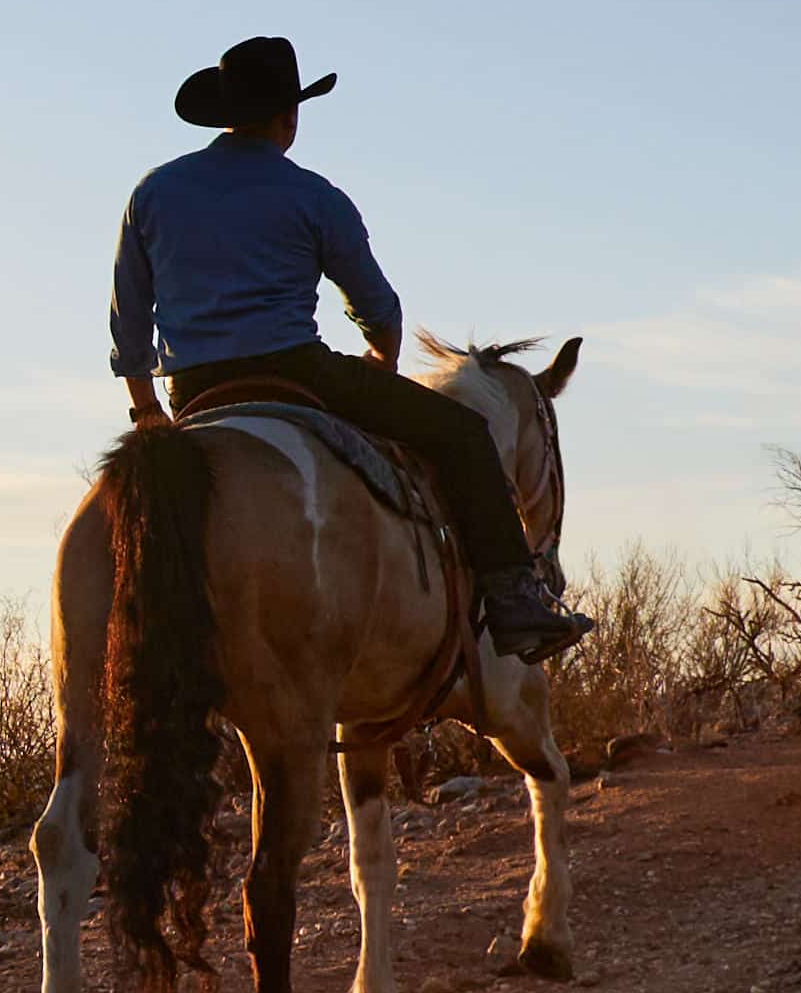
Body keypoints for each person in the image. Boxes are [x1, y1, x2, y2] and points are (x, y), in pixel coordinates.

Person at [107, 36, 598, 662]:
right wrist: (380, 358)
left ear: (226, 114)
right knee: (465, 435)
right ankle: (515, 602)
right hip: (297, 370)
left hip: (194, 392)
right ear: (290, 116)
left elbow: (129, 321)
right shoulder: (314, 196)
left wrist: (147, 410)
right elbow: (377, 306)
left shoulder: (154, 193)